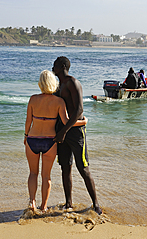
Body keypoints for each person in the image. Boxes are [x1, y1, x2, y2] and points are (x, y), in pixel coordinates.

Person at [24, 70, 88, 213]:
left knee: (33, 173)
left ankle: (32, 202)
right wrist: (83, 122)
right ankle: (44, 206)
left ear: (40, 83)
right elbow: (66, 122)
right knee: (46, 176)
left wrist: (26, 135)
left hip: (32, 140)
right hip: (49, 142)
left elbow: (28, 121)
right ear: (54, 84)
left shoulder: (33, 99)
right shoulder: (59, 102)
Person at [52, 56, 102, 215]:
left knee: (83, 168)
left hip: (74, 132)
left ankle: (96, 204)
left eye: (55, 65)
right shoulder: (58, 85)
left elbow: (79, 110)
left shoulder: (73, 83)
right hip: (62, 131)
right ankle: (68, 203)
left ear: (62, 66)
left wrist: (64, 131)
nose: (52, 67)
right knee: (65, 167)